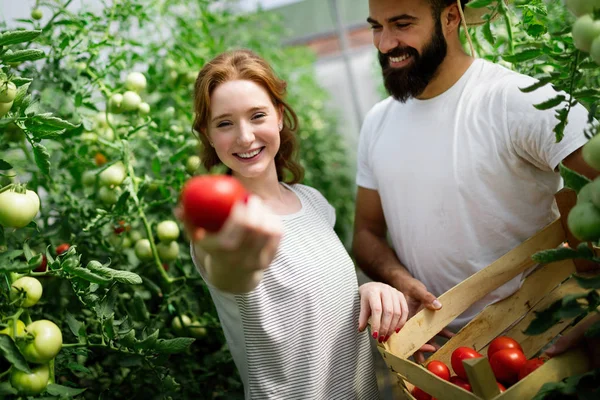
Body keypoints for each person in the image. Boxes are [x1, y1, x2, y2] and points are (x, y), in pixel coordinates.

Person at [352, 0, 600, 363]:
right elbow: (366, 233)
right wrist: (398, 278)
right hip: (442, 359)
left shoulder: (517, 100)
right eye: (377, 26)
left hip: (543, 343)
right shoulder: (377, 123)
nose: (385, 43)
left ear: (450, 17)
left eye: (402, 24)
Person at [176, 49, 409, 399]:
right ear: (208, 135)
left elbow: (318, 298)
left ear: (279, 117)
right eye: (224, 123)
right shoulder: (225, 224)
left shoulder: (313, 202)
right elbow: (229, 272)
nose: (244, 136)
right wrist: (230, 257)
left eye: (257, 116)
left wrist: (366, 290)